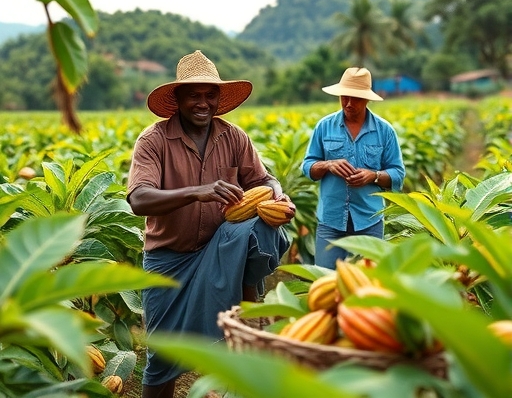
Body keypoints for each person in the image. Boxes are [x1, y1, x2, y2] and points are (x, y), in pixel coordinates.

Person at [127, 50, 289, 398]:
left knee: (260, 226)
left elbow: (264, 179)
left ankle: (248, 306)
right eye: (194, 95)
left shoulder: (233, 137)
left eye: (210, 94)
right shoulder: (154, 141)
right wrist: (198, 192)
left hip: (220, 251)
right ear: (178, 99)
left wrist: (278, 194)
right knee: (162, 355)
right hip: (168, 261)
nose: (203, 103)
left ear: (219, 98)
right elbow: (139, 199)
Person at [301, 67, 405, 269]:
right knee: (324, 280)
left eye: (356, 98)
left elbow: (398, 174)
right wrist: (327, 164)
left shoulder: (385, 131)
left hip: (369, 219)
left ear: (367, 99)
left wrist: (373, 176)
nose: (348, 103)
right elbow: (307, 166)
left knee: (372, 282)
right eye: (344, 97)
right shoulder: (324, 127)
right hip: (330, 219)